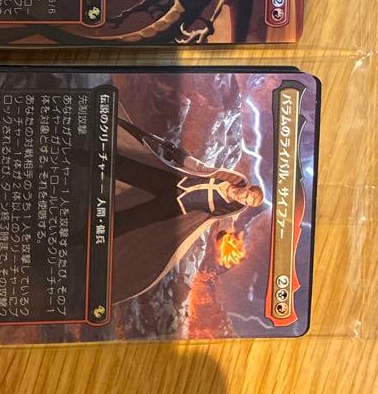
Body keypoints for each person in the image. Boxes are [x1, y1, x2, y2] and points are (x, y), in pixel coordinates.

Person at [110, 109, 263, 304]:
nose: (244, 199)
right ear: (248, 188)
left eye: (247, 202)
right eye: (248, 196)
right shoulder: (225, 178)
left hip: (175, 207)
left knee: (134, 218)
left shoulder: (228, 212)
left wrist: (225, 243)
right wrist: (179, 155)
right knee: (130, 170)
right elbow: (200, 169)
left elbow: (225, 230)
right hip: (172, 181)